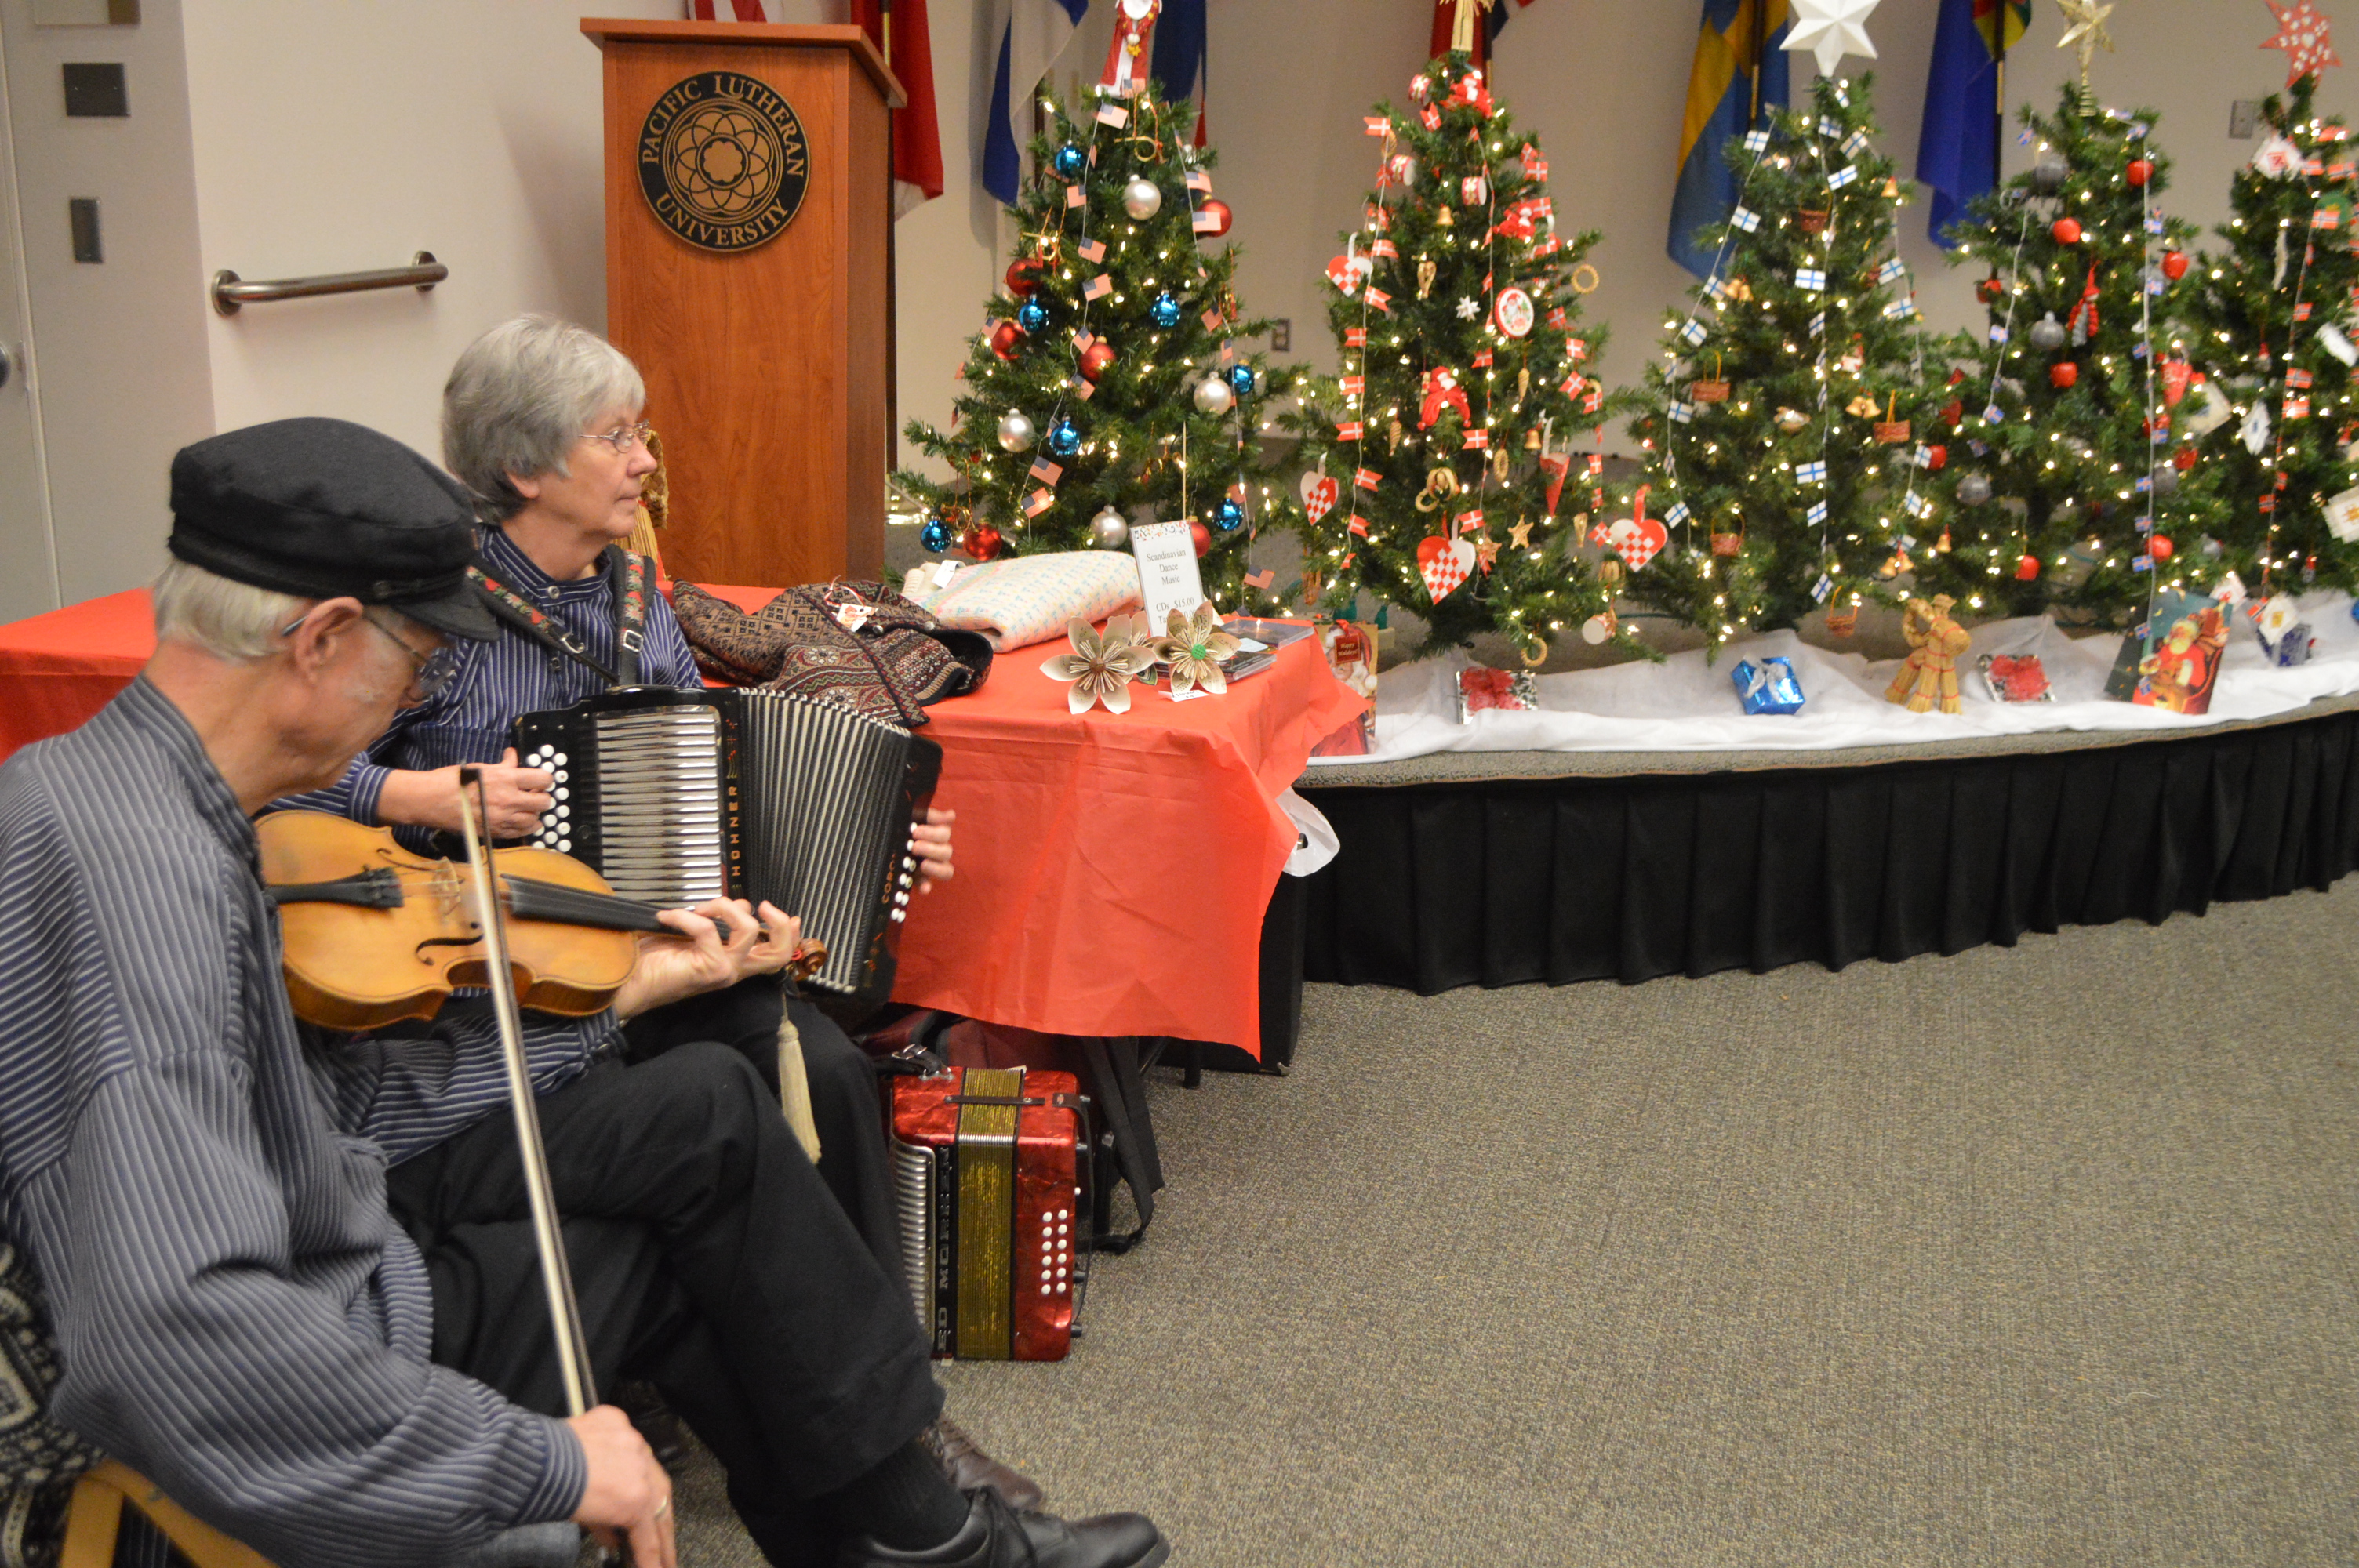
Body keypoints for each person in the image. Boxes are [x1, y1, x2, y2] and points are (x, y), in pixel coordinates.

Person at [0, 417, 1166, 1568]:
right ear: (322, 641)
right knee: (703, 1220)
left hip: (342, 1245)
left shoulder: (112, 793)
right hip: (326, 1350)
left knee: (708, 1125)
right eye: (417, 662)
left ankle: (923, 1539)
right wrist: (543, 1461)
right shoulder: (137, 886)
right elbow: (182, 1346)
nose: (411, 697)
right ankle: (932, 1543)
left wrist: (617, 1000)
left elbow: (332, 1116)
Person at [272, 317, 1019, 1494]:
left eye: (641, 432)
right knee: (732, 1083)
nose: (644, 461)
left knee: (825, 1066)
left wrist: (874, 847)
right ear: (523, 468)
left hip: (639, 947)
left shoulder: (631, 596)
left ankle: (897, 1431)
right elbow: (278, 775)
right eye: (614, 437)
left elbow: (710, 780)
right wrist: (413, 790)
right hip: (486, 978)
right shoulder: (436, 613)